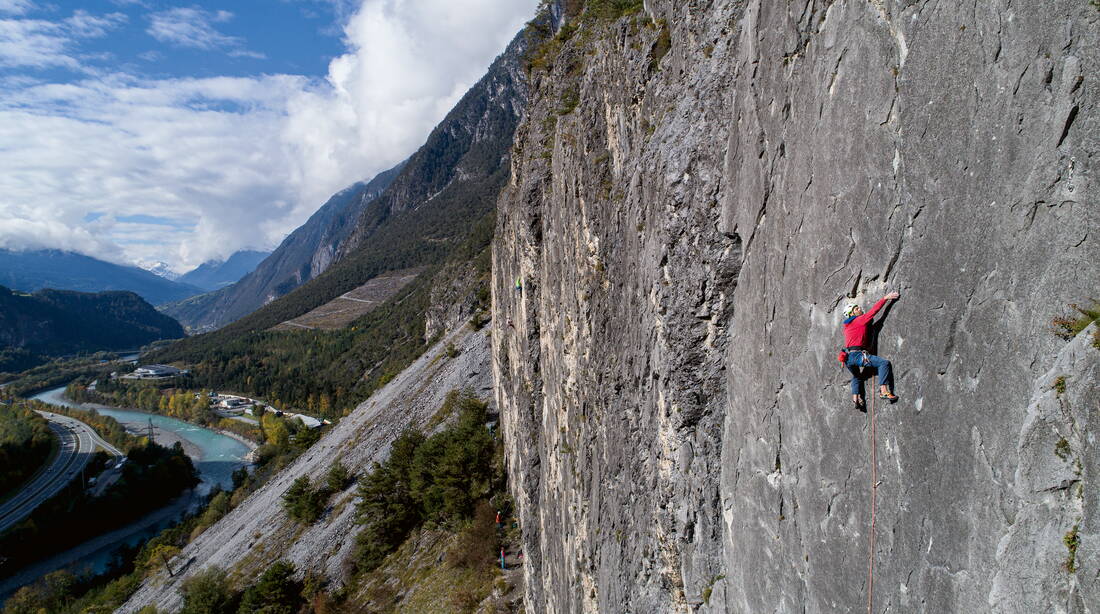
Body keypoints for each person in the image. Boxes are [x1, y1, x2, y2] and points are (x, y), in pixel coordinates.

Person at [842, 292, 900, 406]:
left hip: (848, 358)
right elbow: (874, 311)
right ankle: (883, 391)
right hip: (858, 355)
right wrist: (885, 298)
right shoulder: (859, 320)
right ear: (852, 313)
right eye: (857, 308)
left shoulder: (847, 326)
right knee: (884, 363)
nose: (860, 309)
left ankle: (856, 398)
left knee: (857, 375)